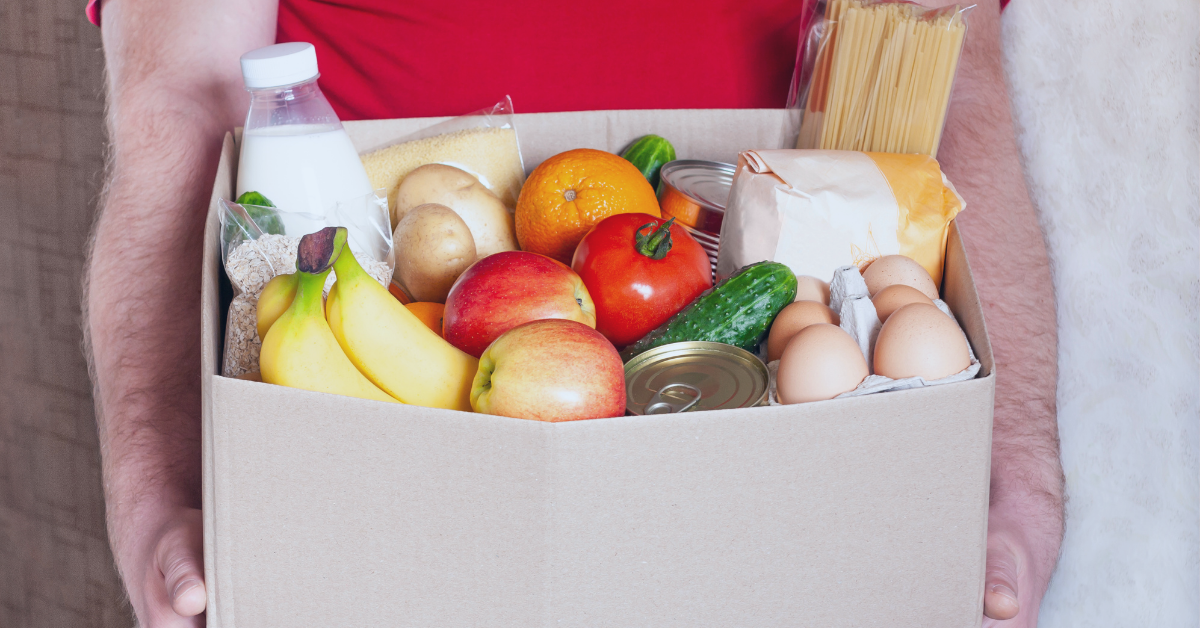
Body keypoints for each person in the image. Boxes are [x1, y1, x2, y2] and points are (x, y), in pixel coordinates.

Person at [84, 0, 1062, 626]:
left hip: (772, 484)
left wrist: (1011, 467)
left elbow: (947, 83)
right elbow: (181, 97)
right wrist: (159, 487)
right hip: (382, 459)